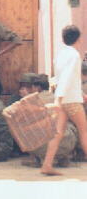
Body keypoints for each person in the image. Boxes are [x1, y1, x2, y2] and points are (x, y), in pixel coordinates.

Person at [41, 26, 87, 176]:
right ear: (78, 39)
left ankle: (47, 164)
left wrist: (59, 99)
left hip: (64, 98)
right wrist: (59, 99)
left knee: (58, 133)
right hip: (70, 100)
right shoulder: (74, 55)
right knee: (84, 131)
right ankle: (47, 165)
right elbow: (67, 78)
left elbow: (60, 78)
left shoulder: (60, 55)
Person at [22, 74, 77, 169]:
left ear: (37, 87)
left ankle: (35, 158)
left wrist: (24, 99)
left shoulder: (31, 100)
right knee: (67, 124)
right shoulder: (58, 98)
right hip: (67, 144)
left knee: (24, 128)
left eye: (32, 87)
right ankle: (64, 157)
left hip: (43, 146)